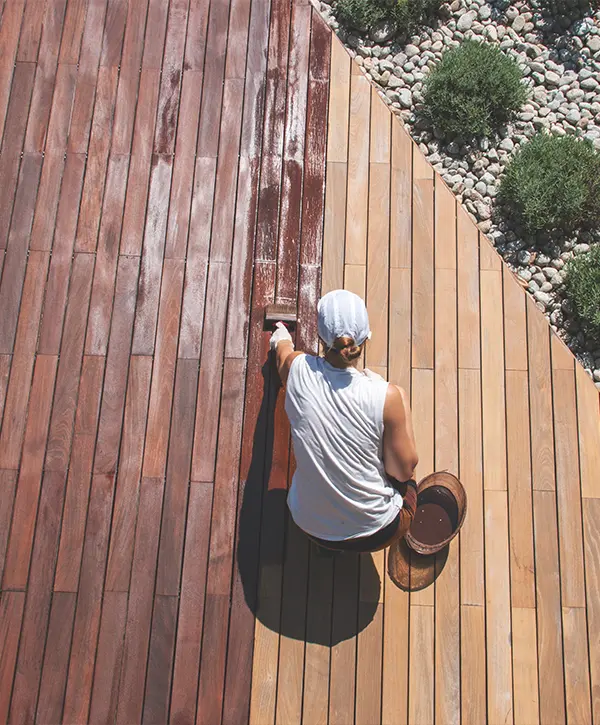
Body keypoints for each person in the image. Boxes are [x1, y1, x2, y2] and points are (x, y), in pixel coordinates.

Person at [269, 289, 419, 553]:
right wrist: (398, 402)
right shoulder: (387, 396)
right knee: (407, 467)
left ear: (320, 339)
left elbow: (282, 353)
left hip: (310, 525)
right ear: (365, 340)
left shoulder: (297, 370)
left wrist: (280, 334)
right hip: (379, 531)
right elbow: (403, 471)